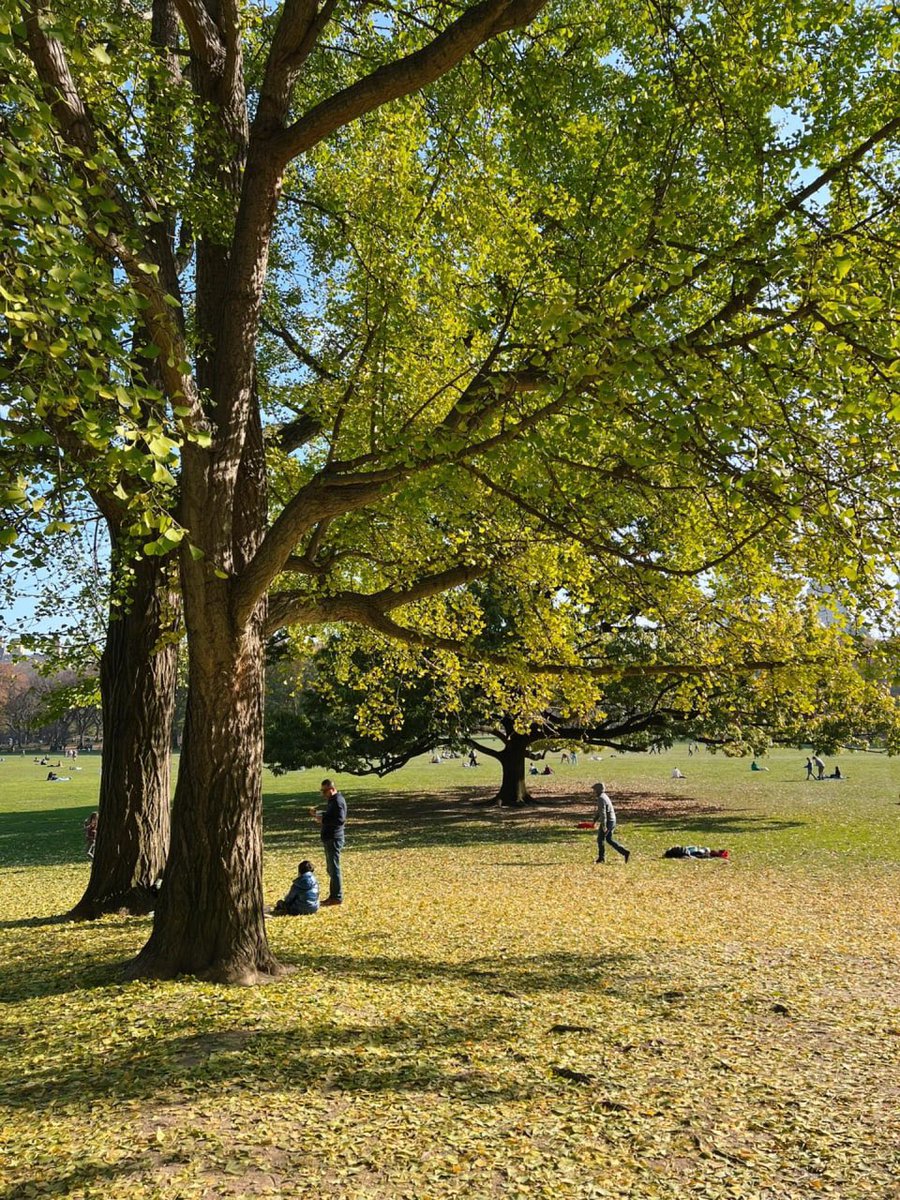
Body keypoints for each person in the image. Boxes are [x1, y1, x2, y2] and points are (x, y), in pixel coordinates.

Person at [311, 779, 346, 906]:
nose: (323, 794)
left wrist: (323, 819)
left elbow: (340, 819)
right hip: (329, 838)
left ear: (331, 789)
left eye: (325, 791)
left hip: (334, 838)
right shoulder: (332, 801)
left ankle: (336, 897)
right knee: (331, 869)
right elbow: (332, 815)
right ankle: (333, 895)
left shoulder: (337, 801)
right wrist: (319, 814)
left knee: (334, 868)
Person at [591, 782, 630, 864]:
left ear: (598, 790)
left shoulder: (601, 799)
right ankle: (625, 852)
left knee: (600, 839)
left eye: (594, 790)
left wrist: (604, 826)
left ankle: (601, 858)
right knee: (609, 839)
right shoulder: (604, 796)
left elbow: (603, 814)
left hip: (608, 821)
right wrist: (594, 820)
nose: (593, 792)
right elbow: (600, 811)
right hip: (612, 820)